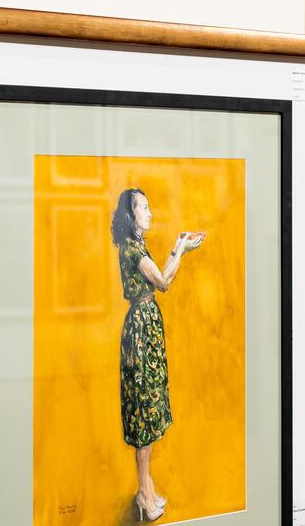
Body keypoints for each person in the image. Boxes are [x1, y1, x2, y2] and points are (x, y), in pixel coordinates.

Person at [110, 188, 206, 523]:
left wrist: (177, 249)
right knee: (145, 413)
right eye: (144, 208)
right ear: (131, 214)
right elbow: (163, 282)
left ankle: (147, 486)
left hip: (146, 328)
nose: (150, 213)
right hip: (141, 333)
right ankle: (144, 492)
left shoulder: (136, 246)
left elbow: (158, 278)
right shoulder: (133, 248)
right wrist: (182, 249)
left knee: (148, 407)